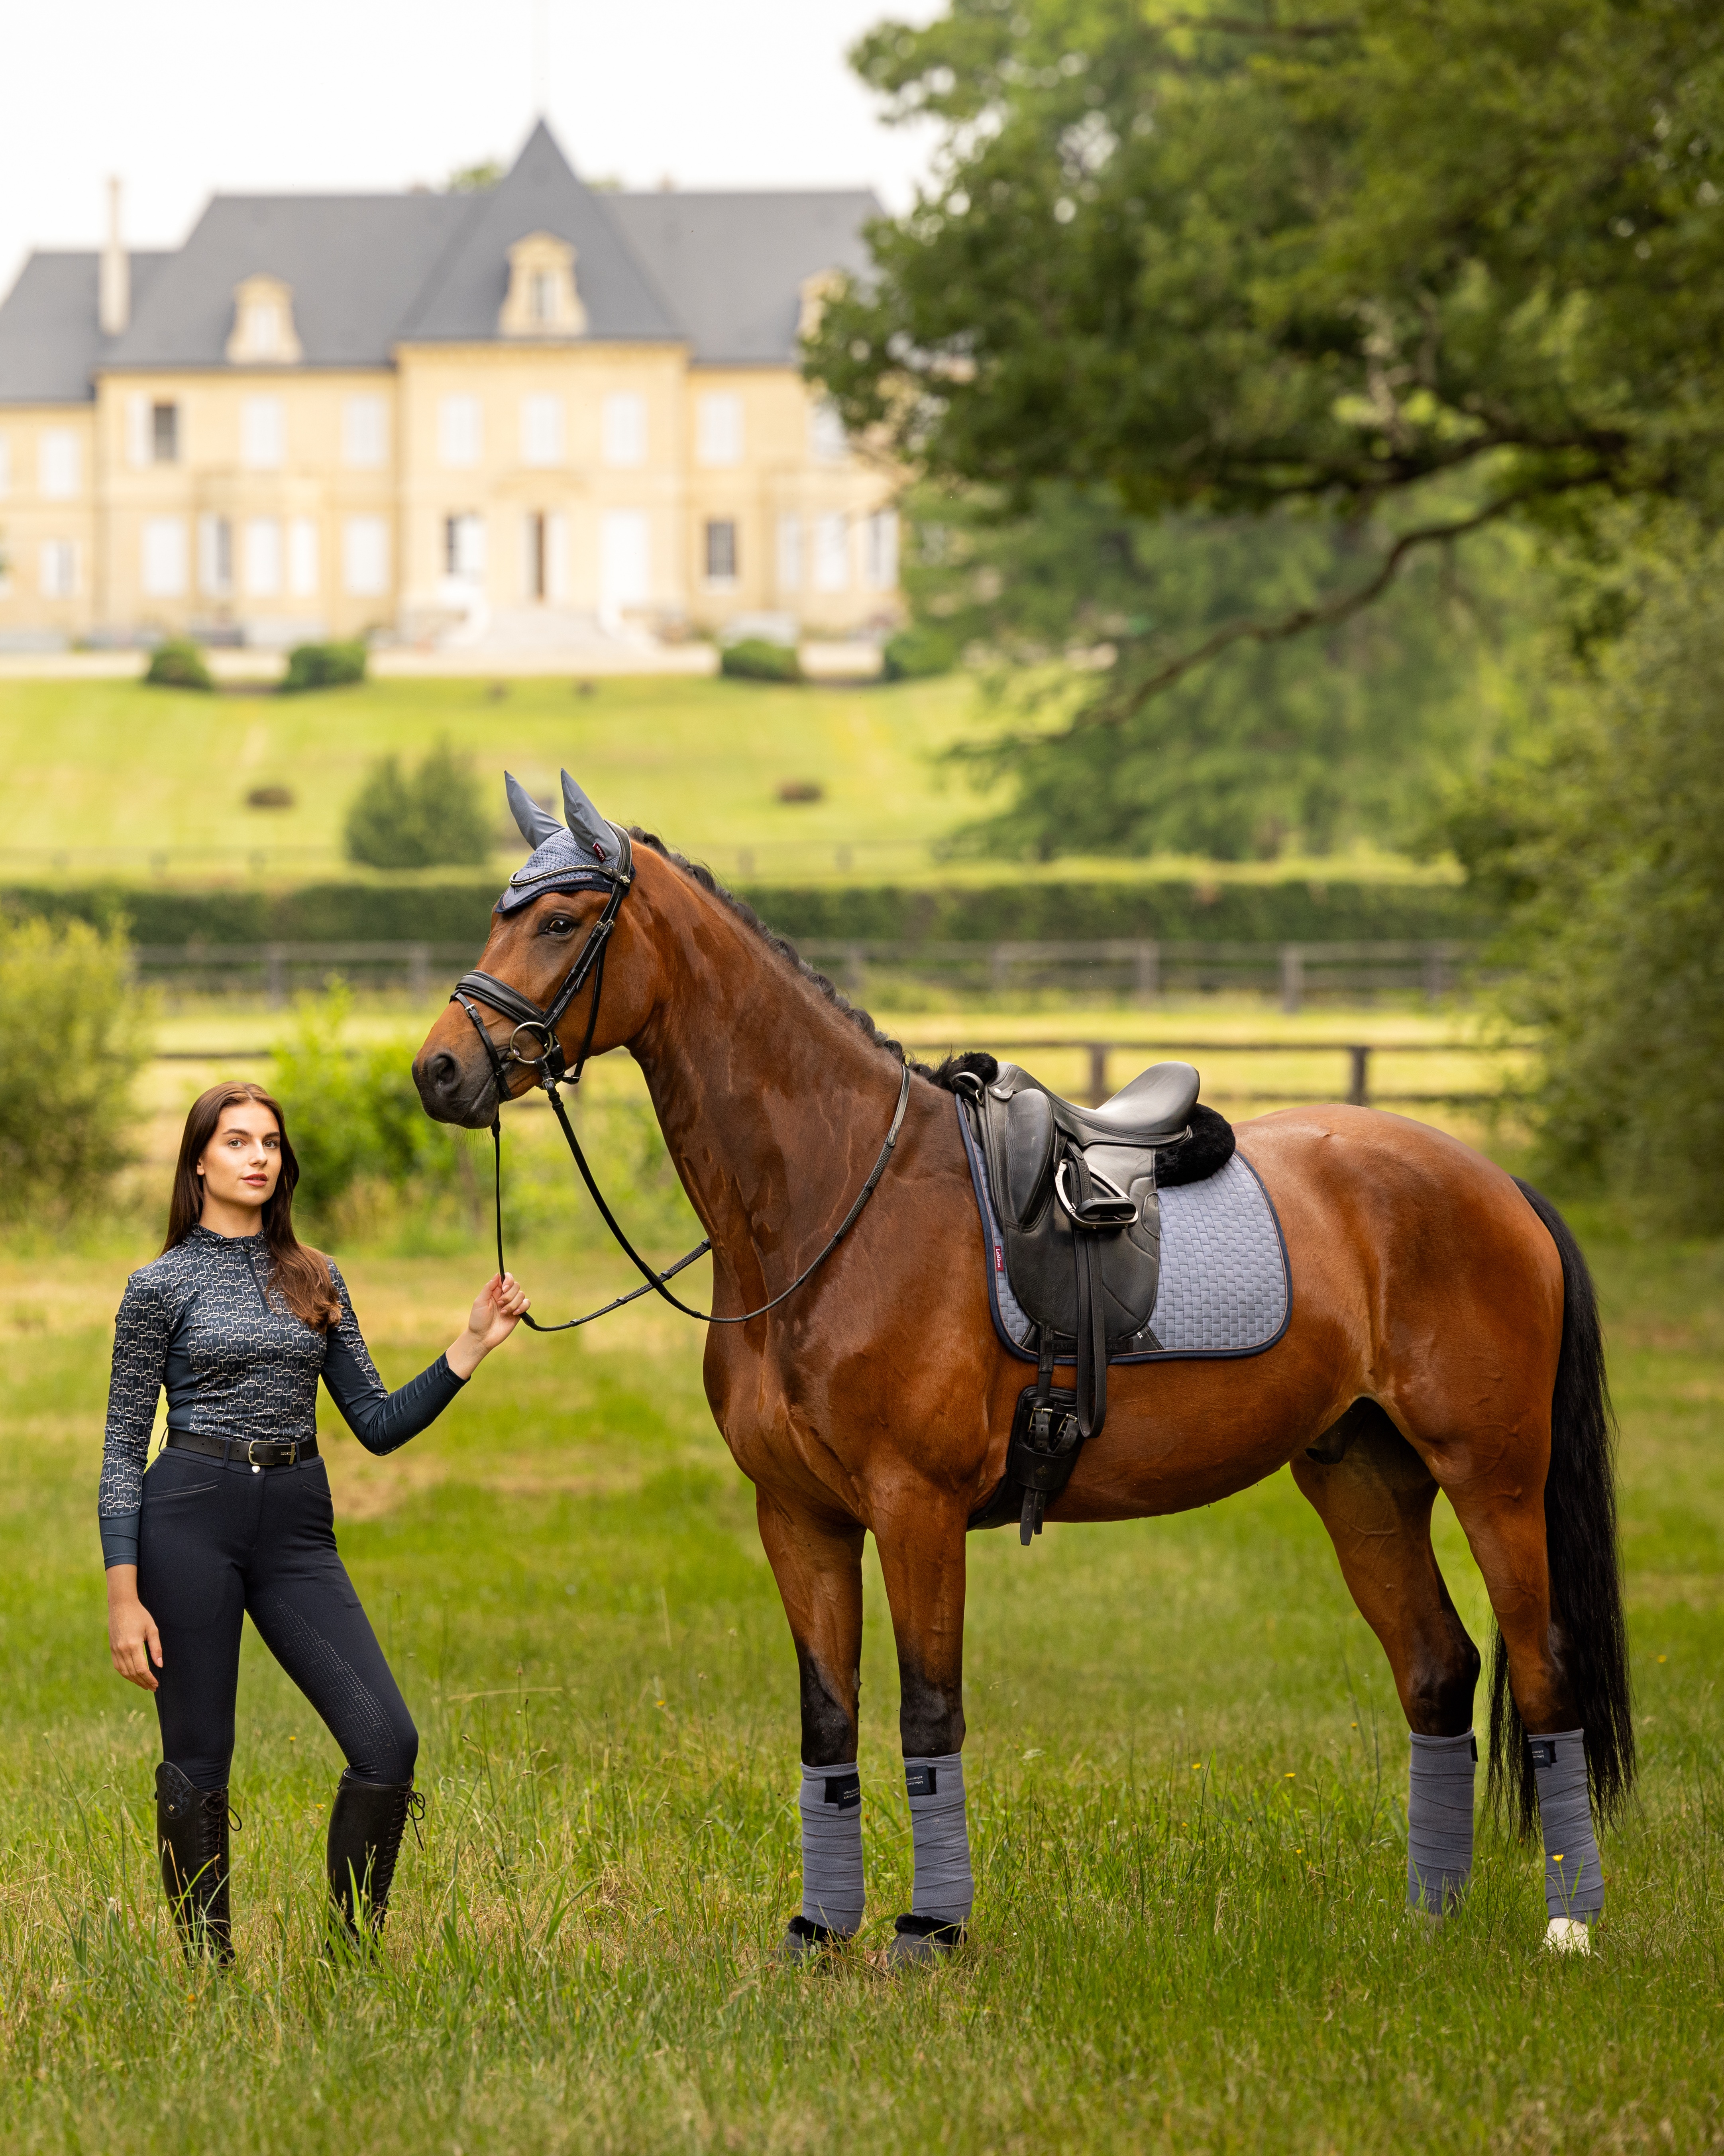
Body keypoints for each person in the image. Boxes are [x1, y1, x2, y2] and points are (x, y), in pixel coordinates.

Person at [99, 1080, 529, 1962]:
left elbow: (374, 1423)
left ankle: (351, 1953)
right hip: (190, 1520)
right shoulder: (157, 1288)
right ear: (198, 1163)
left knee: (386, 1739)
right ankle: (206, 1973)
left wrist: (471, 1345)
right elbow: (119, 1451)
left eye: (271, 1142)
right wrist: (122, 1595)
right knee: (199, 1759)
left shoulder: (316, 1276)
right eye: (237, 1141)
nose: (260, 1156)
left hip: (298, 1526)